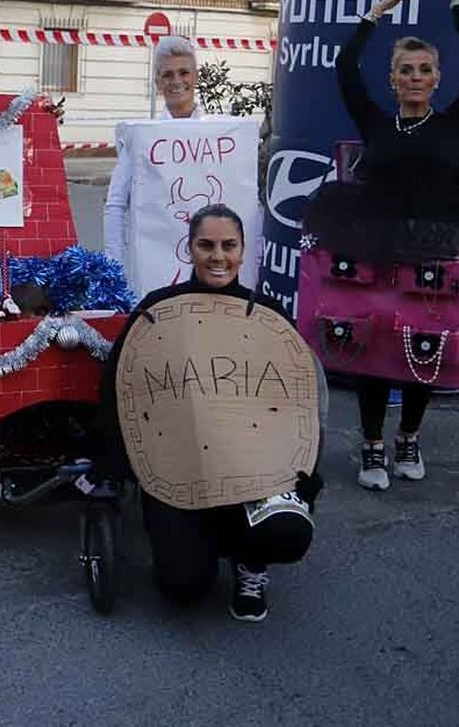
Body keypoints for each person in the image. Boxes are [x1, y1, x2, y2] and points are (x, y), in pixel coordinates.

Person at [305, 0, 459, 491]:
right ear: (392, 80)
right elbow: (345, 67)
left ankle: (409, 437)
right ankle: (370, 447)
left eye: (424, 69)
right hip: (376, 244)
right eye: (405, 70)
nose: (415, 78)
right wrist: (377, 10)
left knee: (422, 341)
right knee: (372, 341)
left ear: (437, 79)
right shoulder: (376, 123)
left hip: (435, 247)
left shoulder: (455, 122)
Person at [98, 205, 320, 622]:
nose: (218, 256)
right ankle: (202, 540)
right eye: (207, 245)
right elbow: (120, 389)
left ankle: (250, 563)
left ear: (242, 250)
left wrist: (305, 471)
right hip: (181, 470)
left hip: (253, 467)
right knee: (183, 589)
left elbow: (299, 402)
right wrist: (116, 462)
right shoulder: (158, 311)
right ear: (190, 249)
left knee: (289, 532)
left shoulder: (268, 317)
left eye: (228, 246)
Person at [102, 35, 207, 266]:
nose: (176, 81)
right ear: (158, 83)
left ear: (196, 77)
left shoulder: (218, 137)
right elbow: (116, 204)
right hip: (153, 265)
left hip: (207, 263)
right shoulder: (141, 139)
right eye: (167, 75)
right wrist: (115, 267)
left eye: (184, 72)